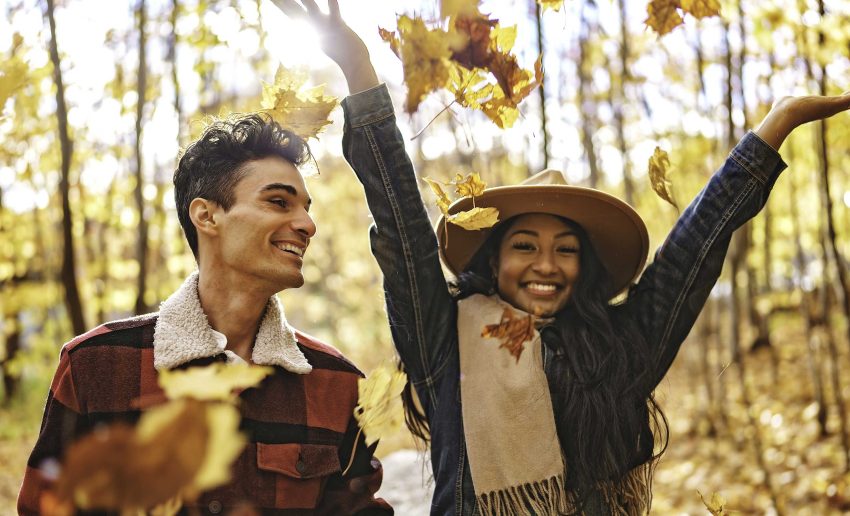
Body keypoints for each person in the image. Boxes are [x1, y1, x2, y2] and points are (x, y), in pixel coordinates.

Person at [284, 1, 850, 514]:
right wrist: (360, 71)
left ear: (587, 268)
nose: (546, 266)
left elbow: (691, 254)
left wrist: (775, 125)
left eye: (566, 249)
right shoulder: (445, 340)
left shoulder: (620, 347)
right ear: (494, 259)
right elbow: (402, 233)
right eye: (525, 246)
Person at [18, 112, 392, 515]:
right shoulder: (96, 366)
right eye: (279, 202)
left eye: (305, 208)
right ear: (207, 216)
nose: (307, 224)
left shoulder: (338, 385)